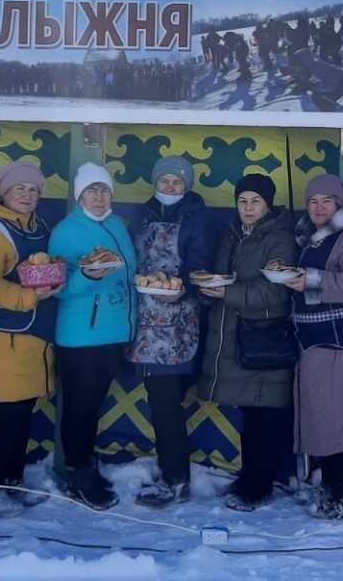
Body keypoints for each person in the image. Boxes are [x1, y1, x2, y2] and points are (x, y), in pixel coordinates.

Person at [0, 160, 62, 518]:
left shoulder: (40, 227)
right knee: (4, 420)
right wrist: (33, 296)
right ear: (4, 191)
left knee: (22, 417)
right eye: (20, 188)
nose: (27, 195)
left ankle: (12, 481)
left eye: (33, 189)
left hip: (32, 340)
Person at [283, 173, 343, 520]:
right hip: (318, 344)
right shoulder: (311, 237)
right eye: (313, 201)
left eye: (327, 201)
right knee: (327, 420)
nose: (319, 207)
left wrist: (308, 280)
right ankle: (330, 486)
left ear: (340, 203)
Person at [198, 173, 298, 512]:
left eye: (255, 201)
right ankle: (250, 477)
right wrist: (211, 290)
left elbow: (277, 290)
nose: (248, 207)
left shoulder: (279, 239)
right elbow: (223, 278)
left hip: (262, 341)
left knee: (264, 417)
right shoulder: (233, 236)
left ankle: (260, 487)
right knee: (250, 414)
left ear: (267, 204)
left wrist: (227, 292)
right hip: (235, 339)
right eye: (243, 201)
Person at [127, 156, 221, 508]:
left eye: (177, 183)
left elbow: (202, 268)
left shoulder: (200, 221)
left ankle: (175, 479)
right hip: (144, 324)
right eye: (164, 181)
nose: (169, 188)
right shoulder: (144, 216)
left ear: (187, 186)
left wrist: (185, 288)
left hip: (178, 325)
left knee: (165, 403)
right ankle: (172, 473)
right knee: (158, 400)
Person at [49, 162, 137, 509]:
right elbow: (57, 288)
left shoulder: (116, 223)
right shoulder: (66, 232)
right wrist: (90, 276)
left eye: (103, 190)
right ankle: (78, 474)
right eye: (91, 191)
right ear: (79, 195)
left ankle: (87, 466)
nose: (98, 197)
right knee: (80, 407)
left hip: (113, 331)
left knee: (94, 403)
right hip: (82, 335)